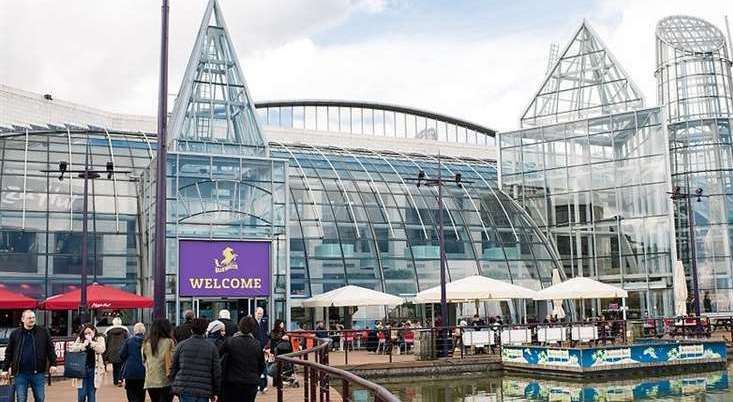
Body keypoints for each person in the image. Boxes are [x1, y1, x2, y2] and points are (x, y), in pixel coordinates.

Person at [1, 309, 58, 402]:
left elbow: (50, 349)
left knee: (40, 398)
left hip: (38, 373)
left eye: (33, 318)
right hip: (20, 373)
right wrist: (5, 369)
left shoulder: (43, 332)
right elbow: (9, 352)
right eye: (29, 318)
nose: (32, 320)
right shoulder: (15, 334)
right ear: (23, 319)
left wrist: (53, 364)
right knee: (21, 399)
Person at [171, 318, 221, 402]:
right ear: (205, 330)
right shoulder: (212, 347)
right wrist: (216, 391)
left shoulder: (181, 345)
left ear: (191, 330)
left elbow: (174, 366)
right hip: (204, 388)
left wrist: (174, 385)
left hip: (185, 386)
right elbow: (216, 371)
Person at [219, 317, 265, 402]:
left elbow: (218, 357)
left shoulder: (230, 341)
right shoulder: (257, 344)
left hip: (232, 381)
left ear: (239, 326)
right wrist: (255, 375)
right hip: (251, 382)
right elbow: (261, 365)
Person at [69, 323, 106, 402]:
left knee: (91, 393)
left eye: (89, 333)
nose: (87, 335)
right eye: (86, 333)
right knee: (81, 394)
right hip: (82, 370)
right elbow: (72, 349)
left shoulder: (100, 338)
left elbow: (101, 349)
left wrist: (91, 343)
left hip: (94, 370)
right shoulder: (81, 339)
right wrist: (83, 346)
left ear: (94, 331)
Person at [143, 318, 175, 402]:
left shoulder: (146, 342)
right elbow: (173, 359)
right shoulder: (169, 341)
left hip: (150, 380)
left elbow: (143, 359)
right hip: (165, 380)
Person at [120, 323, 146, 402]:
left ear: (134, 331)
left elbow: (122, 355)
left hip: (130, 371)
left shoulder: (129, 341)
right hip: (144, 371)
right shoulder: (147, 341)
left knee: (131, 393)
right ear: (144, 331)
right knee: (141, 393)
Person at [104, 316, 130, 386]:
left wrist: (106, 354)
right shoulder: (125, 331)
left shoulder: (108, 331)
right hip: (122, 351)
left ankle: (115, 380)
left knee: (115, 367)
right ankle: (120, 379)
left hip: (112, 352)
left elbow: (106, 343)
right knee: (121, 366)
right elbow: (128, 341)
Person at [253, 307, 268, 392]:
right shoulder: (252, 322)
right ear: (255, 313)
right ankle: (259, 384)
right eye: (258, 313)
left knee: (263, 365)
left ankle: (263, 384)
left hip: (262, 348)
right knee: (257, 366)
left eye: (261, 314)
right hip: (255, 348)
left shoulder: (263, 322)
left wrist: (266, 346)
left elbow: (264, 334)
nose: (260, 315)